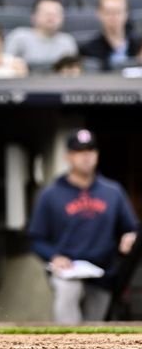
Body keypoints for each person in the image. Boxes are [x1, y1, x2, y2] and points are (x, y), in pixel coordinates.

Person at [27, 129, 138, 324]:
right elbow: (36, 238)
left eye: (90, 151)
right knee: (68, 306)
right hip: (68, 271)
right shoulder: (51, 194)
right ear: (68, 156)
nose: (86, 157)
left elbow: (132, 227)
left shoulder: (113, 191)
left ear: (97, 155)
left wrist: (130, 236)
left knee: (95, 326)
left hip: (103, 271)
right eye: (80, 152)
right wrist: (54, 256)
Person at [4, 0, 78, 69]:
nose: (51, 17)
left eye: (56, 14)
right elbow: (4, 65)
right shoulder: (19, 37)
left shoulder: (67, 41)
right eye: (46, 13)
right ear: (34, 17)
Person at [79, 0, 142, 71]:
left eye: (117, 12)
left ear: (126, 13)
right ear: (99, 13)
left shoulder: (138, 44)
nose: (113, 17)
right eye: (108, 12)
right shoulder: (89, 50)